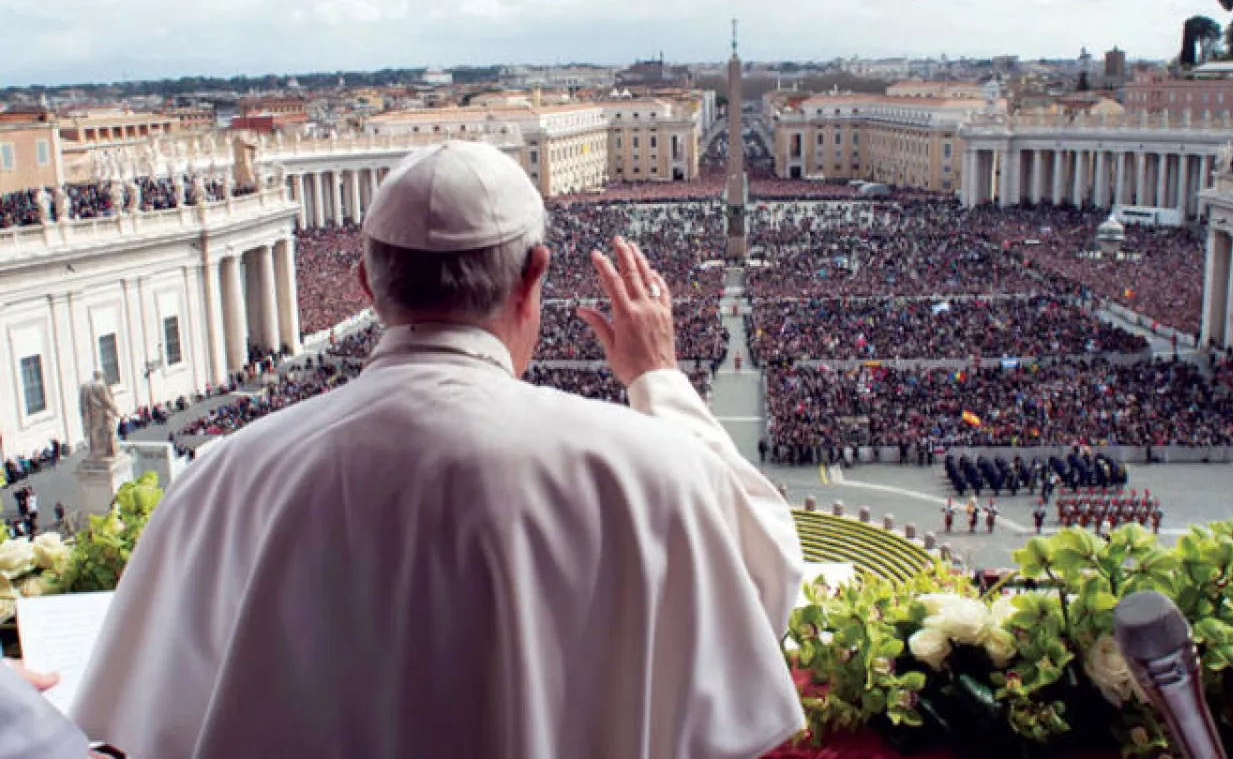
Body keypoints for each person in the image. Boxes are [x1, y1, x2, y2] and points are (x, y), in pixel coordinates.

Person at [70, 142, 805, 759]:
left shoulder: (226, 478)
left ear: (366, 285)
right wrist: (660, 380)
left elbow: (133, 721)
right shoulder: (649, 470)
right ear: (533, 277)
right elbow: (769, 579)